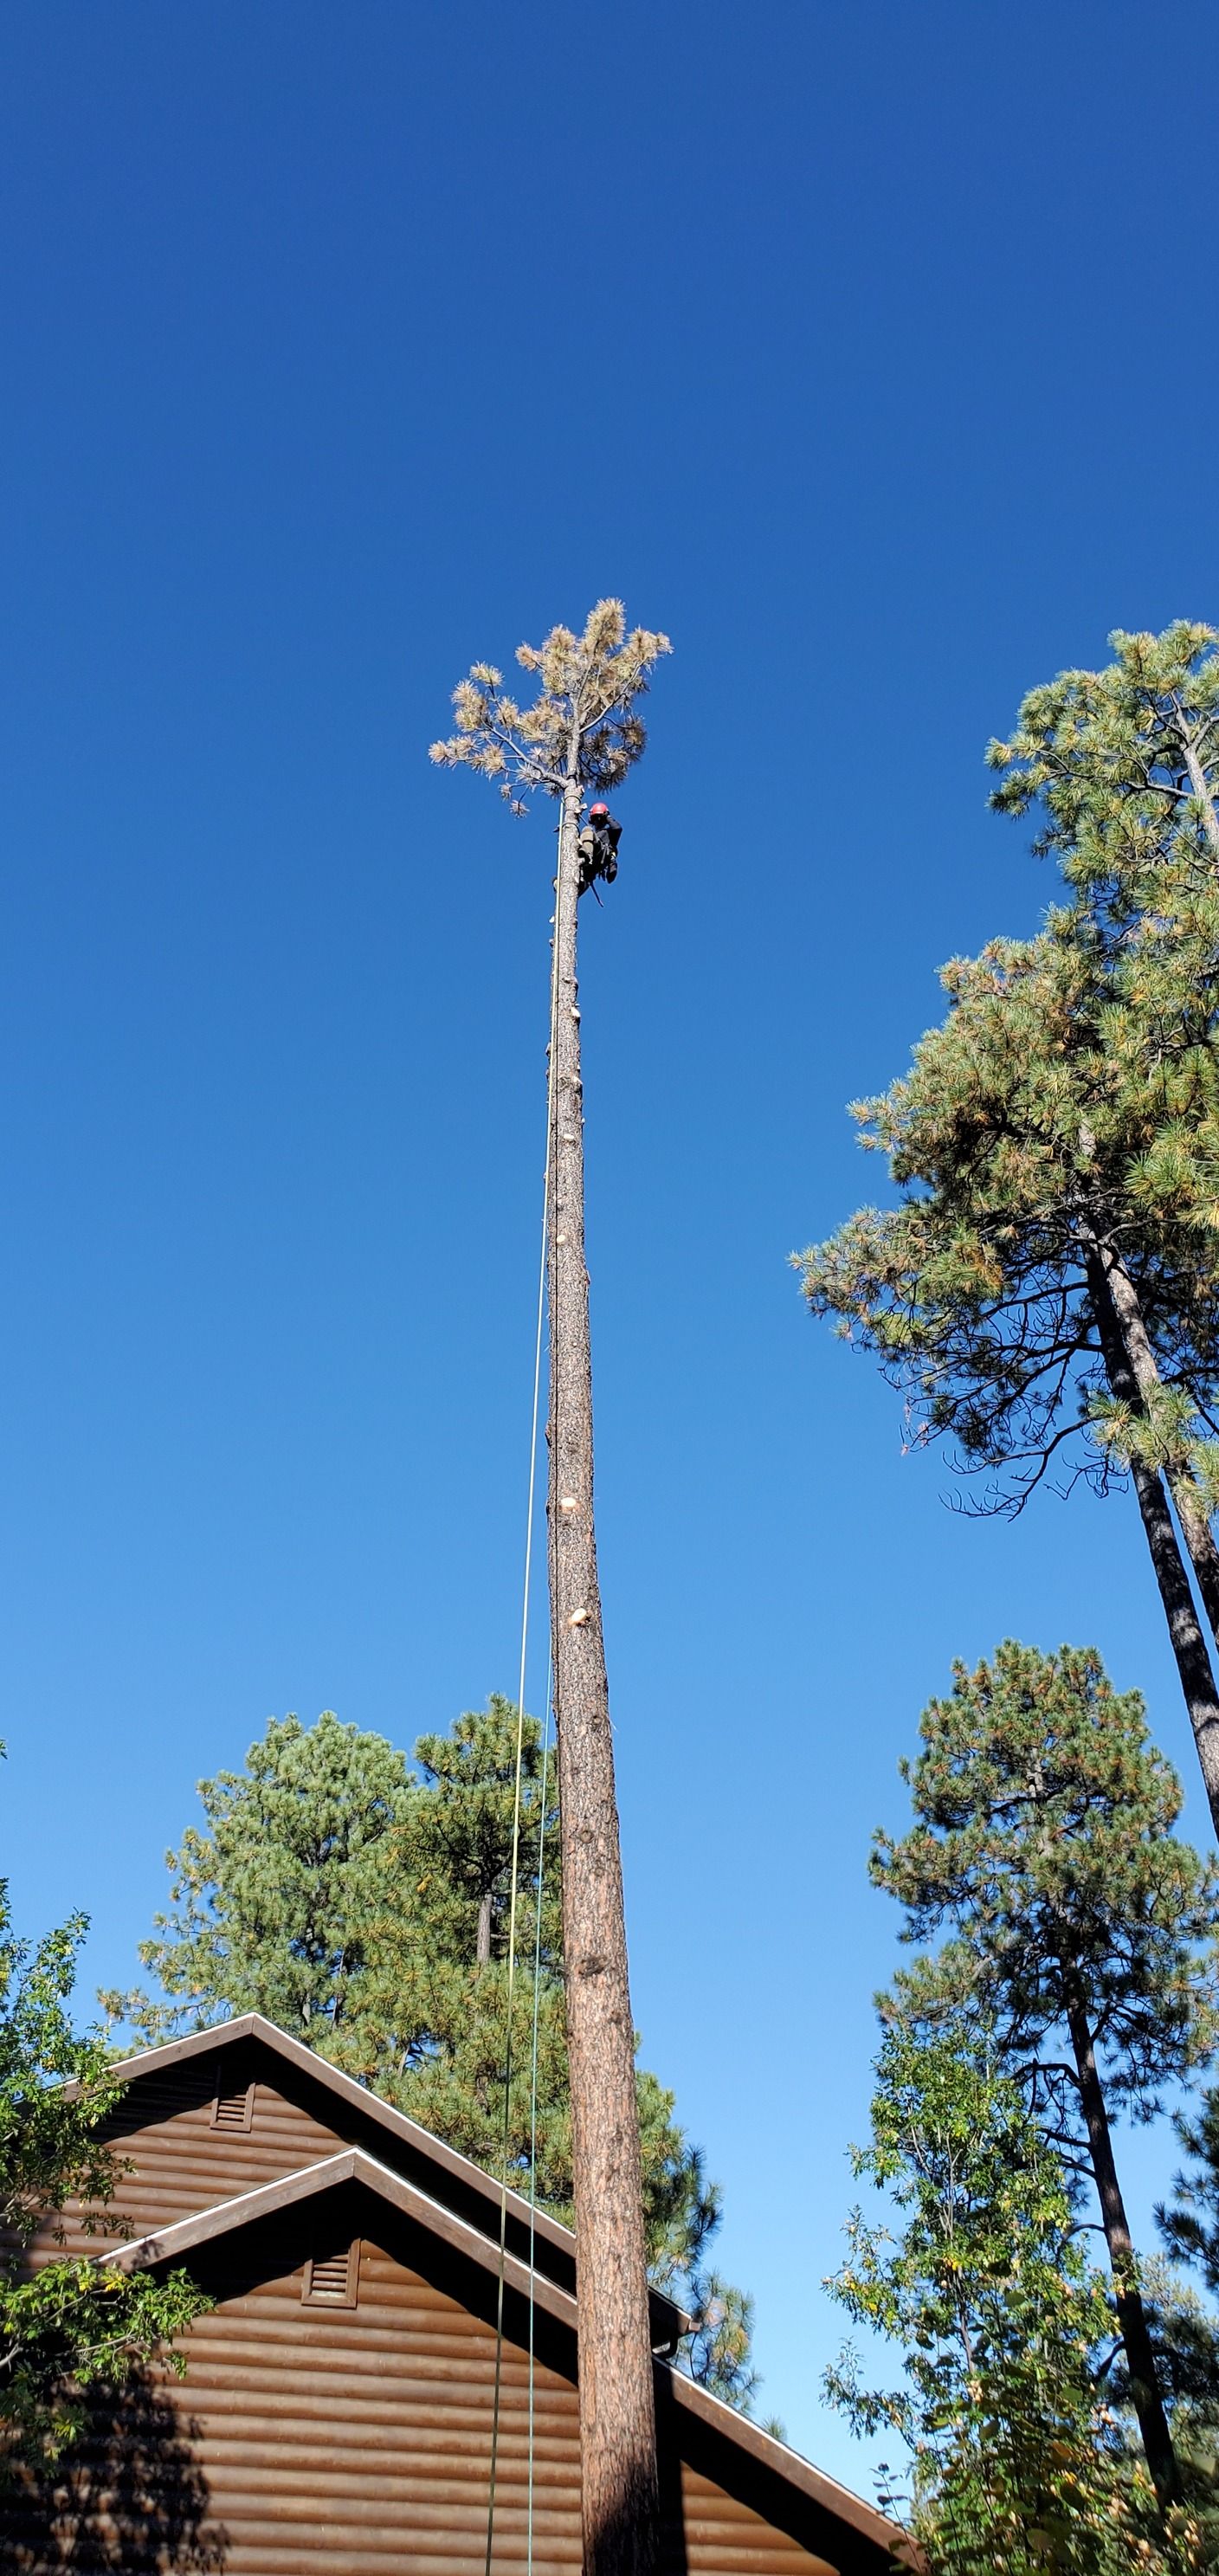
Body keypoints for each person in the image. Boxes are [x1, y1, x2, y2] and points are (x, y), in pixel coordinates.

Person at [576, 802, 622, 896]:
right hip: (590, 868)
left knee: (587, 830)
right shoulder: (593, 835)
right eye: (596, 819)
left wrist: (607, 817)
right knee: (573, 885)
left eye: (600, 818)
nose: (598, 821)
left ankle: (587, 855)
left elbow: (618, 828)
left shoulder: (609, 833)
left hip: (599, 854)